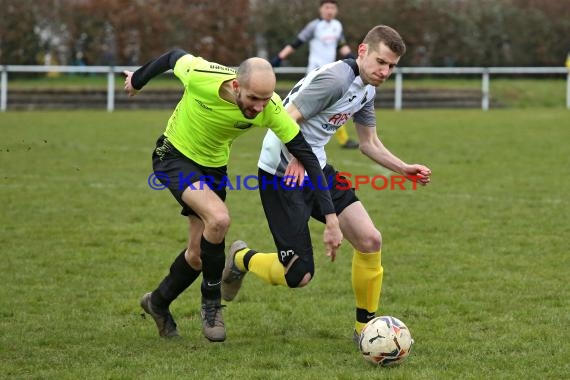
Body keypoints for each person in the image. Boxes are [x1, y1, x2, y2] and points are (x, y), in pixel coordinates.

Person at [222, 25, 432, 343]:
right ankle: (242, 258)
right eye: (381, 61)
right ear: (362, 51)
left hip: (315, 167)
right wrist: (297, 156)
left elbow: (368, 143)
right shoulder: (336, 79)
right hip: (282, 173)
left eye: (391, 66)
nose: (385, 71)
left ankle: (366, 330)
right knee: (298, 276)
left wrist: (403, 169)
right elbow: (286, 118)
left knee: (370, 240)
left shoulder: (367, 89)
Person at [123, 50, 342, 342]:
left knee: (197, 255)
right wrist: (137, 80)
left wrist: (330, 217)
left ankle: (158, 302)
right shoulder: (202, 76)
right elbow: (172, 57)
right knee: (219, 218)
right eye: (253, 99)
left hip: (213, 168)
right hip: (173, 156)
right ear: (237, 87)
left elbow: (309, 158)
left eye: (266, 100)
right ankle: (211, 303)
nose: (259, 107)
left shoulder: (270, 108)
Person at [270, 0, 359, 149]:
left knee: (334, 105)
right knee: (302, 104)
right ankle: (283, 128)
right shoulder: (314, 26)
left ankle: (343, 140)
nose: (329, 10)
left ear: (336, 10)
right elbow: (296, 43)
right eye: (327, 7)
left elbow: (342, 47)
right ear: (321, 10)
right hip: (315, 73)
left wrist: (356, 61)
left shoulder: (337, 26)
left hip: (331, 73)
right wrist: (279, 58)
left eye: (332, 8)